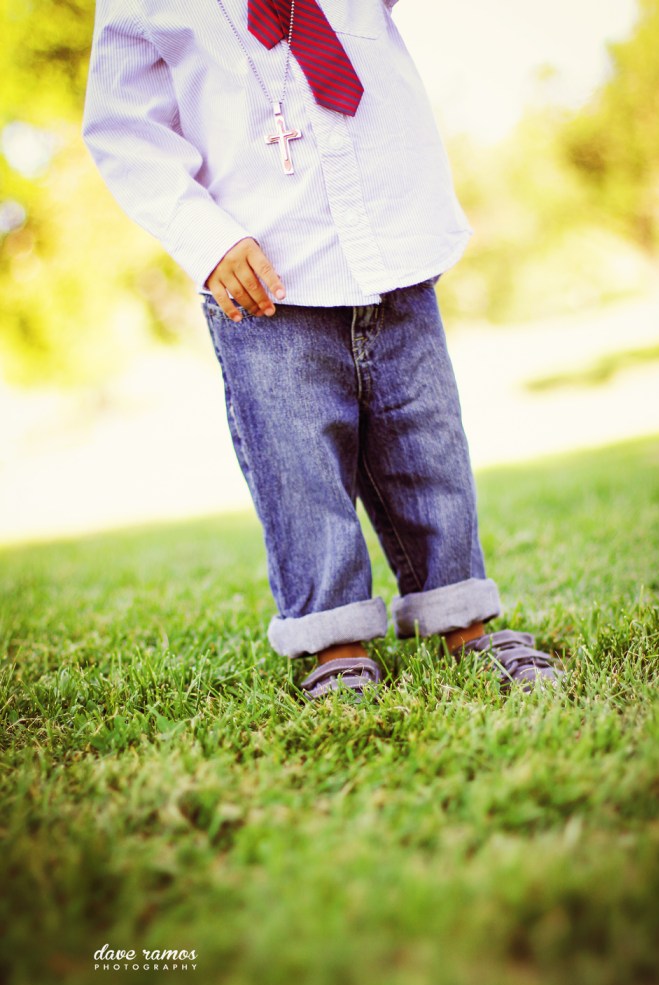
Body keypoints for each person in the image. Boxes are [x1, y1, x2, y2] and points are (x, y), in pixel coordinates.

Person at [83, 0, 559, 699]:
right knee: (297, 469)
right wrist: (206, 238)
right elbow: (123, 128)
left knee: (429, 450)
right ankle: (334, 640)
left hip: (394, 249)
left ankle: (464, 621)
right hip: (267, 275)